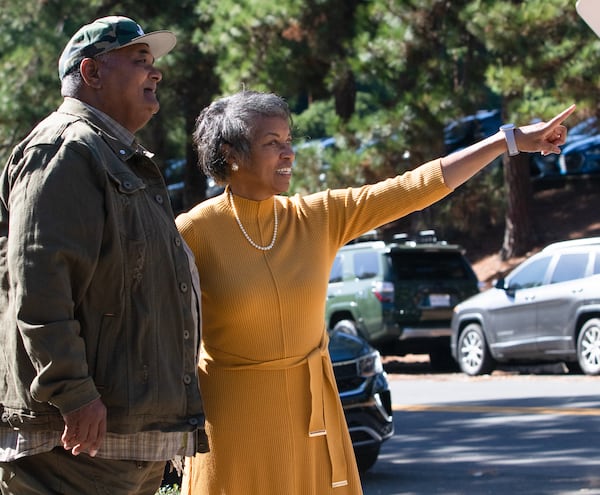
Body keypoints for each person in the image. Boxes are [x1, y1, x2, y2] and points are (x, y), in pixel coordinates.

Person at [176, 90, 574, 495]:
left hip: (310, 419)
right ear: (231, 154)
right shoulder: (193, 231)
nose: (288, 153)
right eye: (271, 143)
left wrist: (506, 142)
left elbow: (414, 187)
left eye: (288, 140)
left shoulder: (318, 216)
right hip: (232, 424)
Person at [0, 16, 207, 495]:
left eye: (154, 64)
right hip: (74, 447)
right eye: (140, 61)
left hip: (119, 442)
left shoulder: (111, 153)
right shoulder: (64, 148)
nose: (155, 74)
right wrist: (73, 392)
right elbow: (41, 282)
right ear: (91, 73)